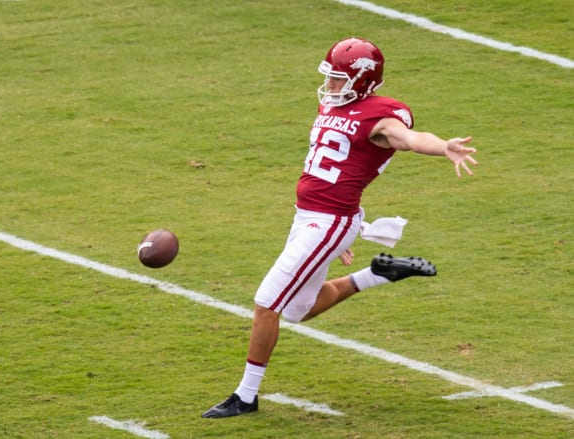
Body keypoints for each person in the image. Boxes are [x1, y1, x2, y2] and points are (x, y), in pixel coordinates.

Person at [201, 37, 478, 418]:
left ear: (362, 80)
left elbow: (410, 139)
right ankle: (377, 274)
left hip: (329, 220)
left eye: (337, 78)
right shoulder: (333, 105)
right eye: (330, 77)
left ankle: (246, 396)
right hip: (312, 218)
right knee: (299, 310)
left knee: (267, 302)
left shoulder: (381, 117)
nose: (330, 85)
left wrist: (442, 146)